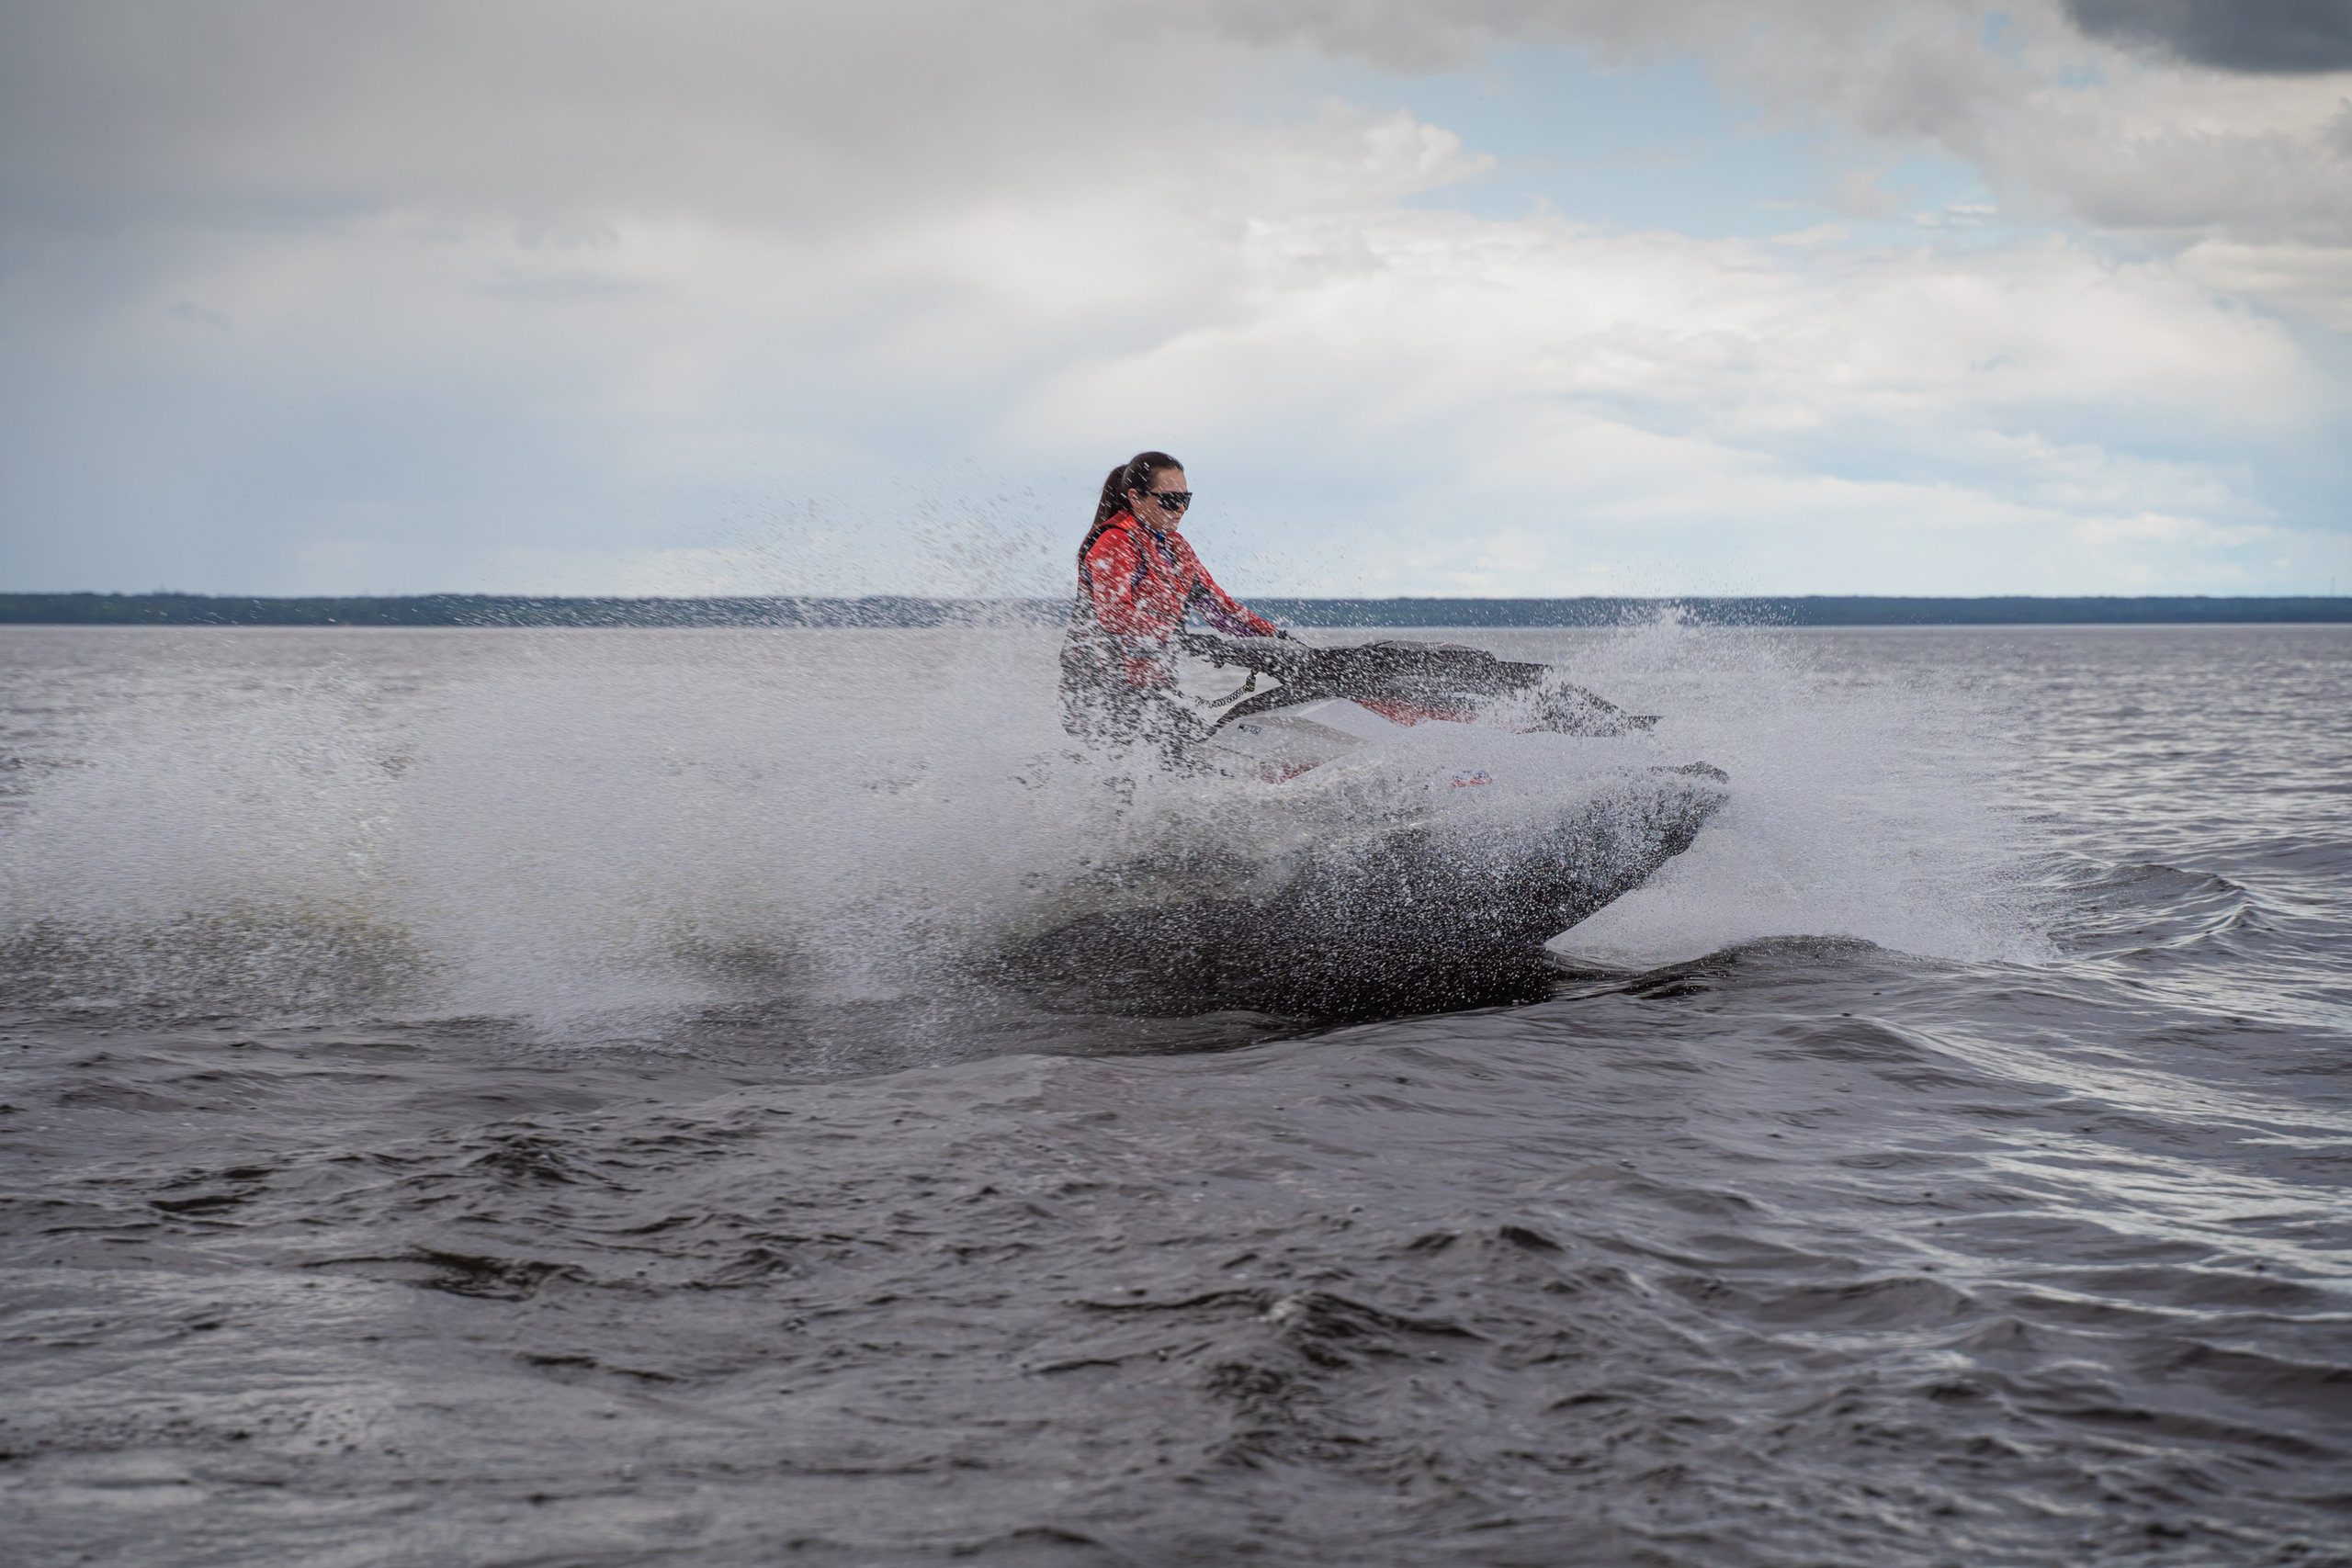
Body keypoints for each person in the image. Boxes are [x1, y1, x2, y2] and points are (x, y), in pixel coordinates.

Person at [1059, 450, 1287, 757]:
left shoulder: (1176, 548)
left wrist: (1280, 641)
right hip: (1097, 693)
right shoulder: (1115, 541)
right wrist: (1181, 638)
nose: (1180, 508)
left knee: (1201, 750)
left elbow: (1220, 610)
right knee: (1196, 754)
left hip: (1149, 688)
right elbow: (1115, 615)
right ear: (1136, 498)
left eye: (1186, 499)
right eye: (1169, 499)